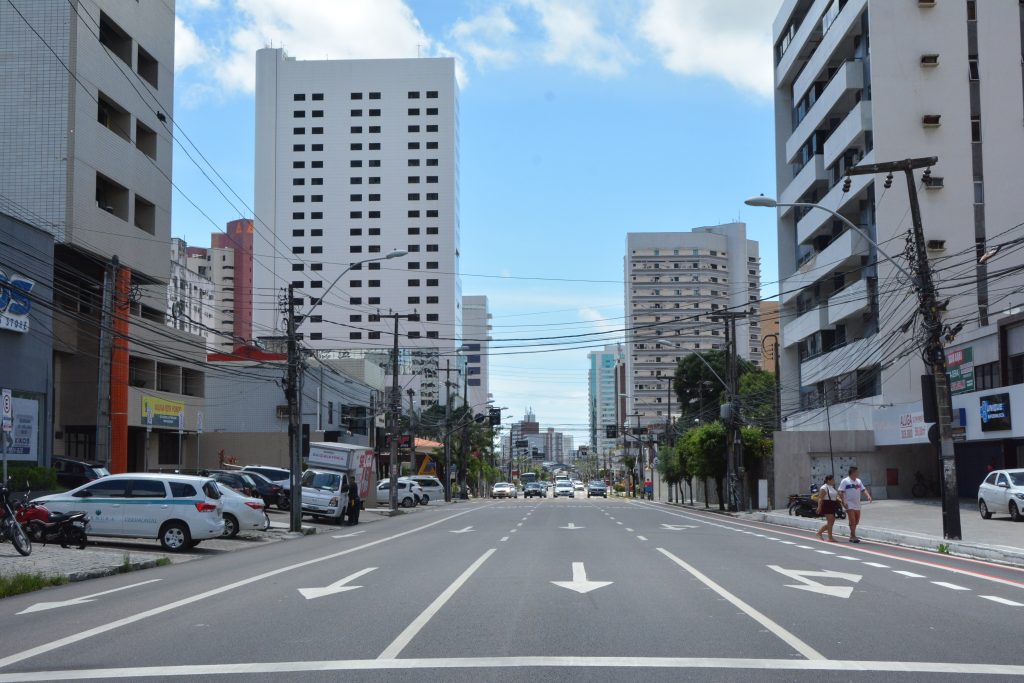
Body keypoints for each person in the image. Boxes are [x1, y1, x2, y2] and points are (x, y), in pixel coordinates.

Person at [838, 466, 872, 543]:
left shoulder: (858, 481)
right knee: (852, 520)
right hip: (849, 503)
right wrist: (844, 501)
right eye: (856, 472)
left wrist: (868, 495)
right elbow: (840, 491)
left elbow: (863, 489)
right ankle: (853, 536)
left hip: (857, 504)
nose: (858, 473)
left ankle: (851, 535)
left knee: (856, 520)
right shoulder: (845, 481)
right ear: (852, 472)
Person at [815, 474, 839, 543]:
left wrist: (839, 499)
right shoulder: (824, 487)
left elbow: (834, 496)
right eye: (833, 480)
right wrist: (819, 507)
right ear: (829, 480)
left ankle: (827, 536)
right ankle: (822, 534)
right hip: (827, 504)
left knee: (831, 522)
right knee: (830, 521)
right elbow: (820, 498)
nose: (834, 481)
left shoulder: (831, 487)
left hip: (832, 504)